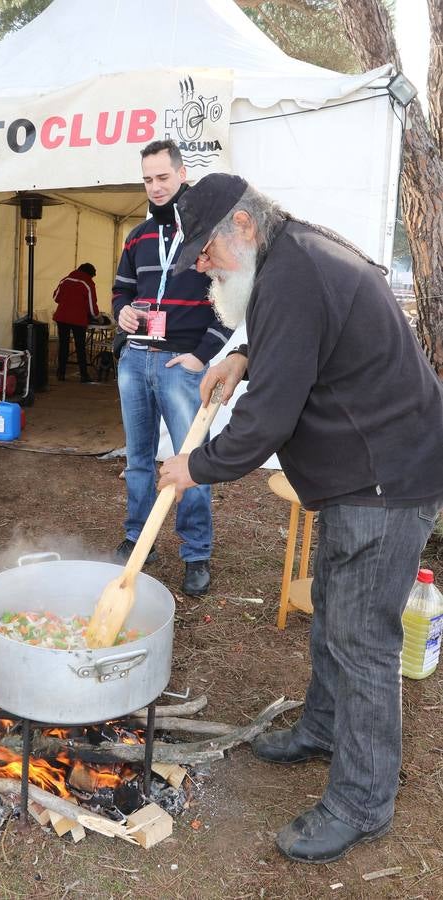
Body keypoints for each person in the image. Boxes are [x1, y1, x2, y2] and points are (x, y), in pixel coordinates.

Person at [157, 172, 443, 863]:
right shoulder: (292, 257)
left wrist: (191, 468)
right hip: (361, 476)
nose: (202, 269)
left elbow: (265, 421)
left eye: (204, 254)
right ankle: (321, 727)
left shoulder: (294, 271)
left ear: (243, 227)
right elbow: (307, 339)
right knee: (332, 611)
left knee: (363, 643)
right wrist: (243, 357)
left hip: (383, 481)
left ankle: (361, 802)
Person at [112, 140, 232, 595]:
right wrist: (122, 313)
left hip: (183, 366)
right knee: (138, 459)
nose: (155, 187)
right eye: (147, 179)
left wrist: (203, 354)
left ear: (182, 175)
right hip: (135, 360)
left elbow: (232, 300)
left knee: (191, 462)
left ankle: (196, 553)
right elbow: (121, 290)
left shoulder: (208, 233)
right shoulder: (138, 235)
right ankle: (137, 537)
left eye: (163, 177)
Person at [53, 262, 100, 383]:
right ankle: (84, 375)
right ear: (90, 274)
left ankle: (61, 373)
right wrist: (96, 316)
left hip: (62, 317)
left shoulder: (65, 280)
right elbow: (91, 305)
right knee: (80, 347)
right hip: (78, 319)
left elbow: (56, 297)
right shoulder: (88, 284)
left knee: (63, 345)